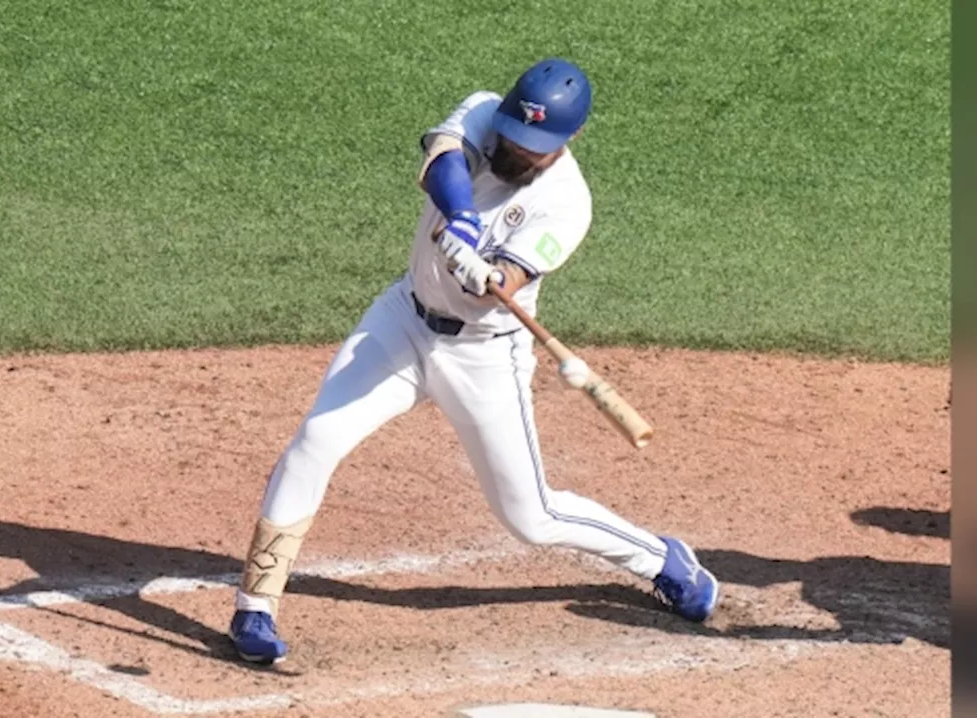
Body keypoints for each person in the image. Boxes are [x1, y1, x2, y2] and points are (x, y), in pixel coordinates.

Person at [227, 57, 719, 665]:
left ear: (571, 141)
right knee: (317, 440)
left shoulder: (567, 205)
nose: (515, 152)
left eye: (533, 148)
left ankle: (663, 560)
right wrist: (460, 218)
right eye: (513, 136)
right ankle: (256, 605)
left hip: (483, 358)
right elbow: (442, 161)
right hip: (402, 323)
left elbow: (511, 276)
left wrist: (487, 272)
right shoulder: (484, 111)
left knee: (531, 517)